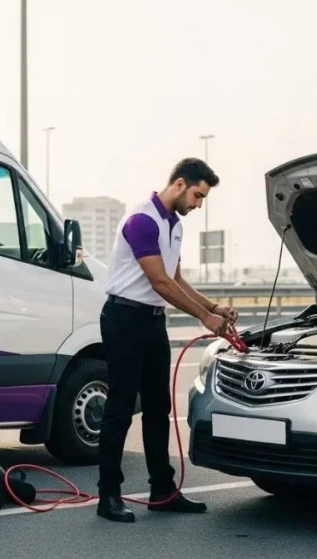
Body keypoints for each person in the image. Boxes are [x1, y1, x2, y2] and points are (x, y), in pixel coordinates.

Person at [95, 157, 238, 523]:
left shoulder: (174, 225)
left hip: (152, 321)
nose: (198, 204)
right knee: (121, 407)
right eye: (197, 195)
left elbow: (175, 278)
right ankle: (108, 495)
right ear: (178, 184)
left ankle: (163, 490)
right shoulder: (142, 220)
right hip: (124, 318)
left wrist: (214, 307)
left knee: (159, 408)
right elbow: (159, 281)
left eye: (202, 198)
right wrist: (202, 317)